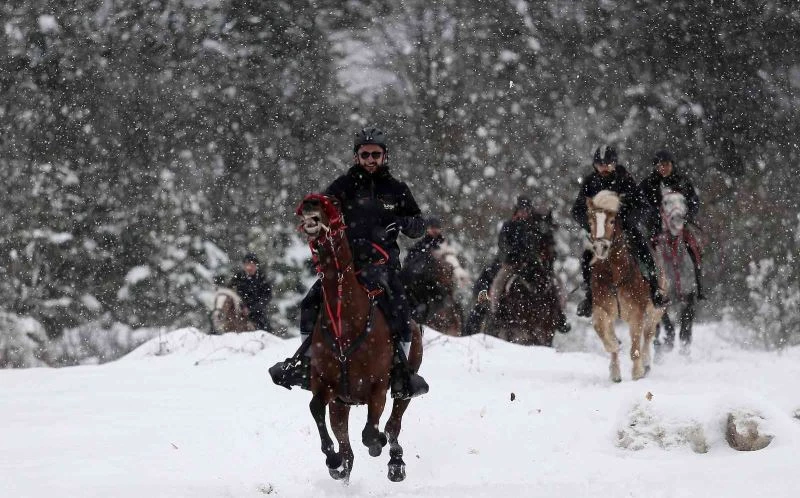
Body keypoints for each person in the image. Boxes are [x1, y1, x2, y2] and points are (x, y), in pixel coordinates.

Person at [271, 127, 429, 399]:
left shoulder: (397, 190)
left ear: (385, 156)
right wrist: (312, 213)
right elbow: (321, 210)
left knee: (401, 310)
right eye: (365, 154)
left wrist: (400, 222)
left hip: (383, 266)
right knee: (310, 302)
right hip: (346, 267)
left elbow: (419, 226)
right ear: (356, 156)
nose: (370, 159)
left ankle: (402, 373)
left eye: (375, 154)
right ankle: (307, 363)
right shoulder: (342, 187)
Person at [571, 145, 668, 317]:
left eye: (608, 163)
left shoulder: (625, 180)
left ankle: (655, 290)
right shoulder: (589, 182)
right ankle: (589, 295)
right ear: (595, 165)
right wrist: (591, 224)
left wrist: (627, 219)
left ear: (615, 163)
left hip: (624, 229)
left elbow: (643, 207)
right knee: (587, 257)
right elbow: (576, 210)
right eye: (600, 164)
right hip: (599, 232)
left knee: (644, 251)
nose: (604, 167)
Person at [489, 196, 571, 333]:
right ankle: (495, 313)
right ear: (516, 211)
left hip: (534, 264)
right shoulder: (509, 226)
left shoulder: (534, 225)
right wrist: (514, 255)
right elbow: (503, 245)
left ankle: (560, 315)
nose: (524, 213)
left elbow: (544, 241)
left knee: (558, 283)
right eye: (521, 210)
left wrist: (542, 257)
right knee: (498, 283)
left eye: (526, 210)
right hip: (512, 264)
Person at [639, 149, 705, 300]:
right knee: (645, 254)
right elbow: (640, 204)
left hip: (679, 224)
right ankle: (652, 286)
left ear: (672, 165)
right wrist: (652, 216)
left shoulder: (682, 181)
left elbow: (694, 200)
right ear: (655, 167)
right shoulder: (647, 185)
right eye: (660, 165)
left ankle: (699, 285)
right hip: (655, 228)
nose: (664, 168)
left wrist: (688, 214)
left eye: (667, 164)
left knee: (695, 247)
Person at [401, 217, 448, 321]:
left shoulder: (445, 246)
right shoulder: (420, 246)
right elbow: (410, 262)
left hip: (438, 283)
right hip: (422, 281)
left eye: (437, 228)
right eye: (432, 227)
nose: (434, 230)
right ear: (427, 229)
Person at [228, 252, 273, 332]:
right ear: (244, 266)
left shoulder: (262, 278)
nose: (249, 267)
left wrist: (251, 309)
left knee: (264, 328)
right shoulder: (238, 277)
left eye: (252, 265)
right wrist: (240, 307)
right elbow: (229, 291)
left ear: (256, 266)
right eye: (247, 264)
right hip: (237, 310)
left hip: (256, 313)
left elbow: (267, 297)